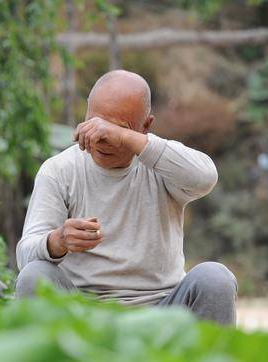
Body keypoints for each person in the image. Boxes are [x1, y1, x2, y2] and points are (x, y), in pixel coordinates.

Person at [15, 69, 238, 326]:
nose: (101, 138)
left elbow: (205, 176)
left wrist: (129, 140)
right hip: (83, 314)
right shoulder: (59, 170)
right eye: (94, 123)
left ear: (145, 126)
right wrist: (58, 240)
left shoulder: (161, 163)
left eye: (116, 128)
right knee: (35, 275)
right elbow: (25, 258)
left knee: (215, 278)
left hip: (163, 313)